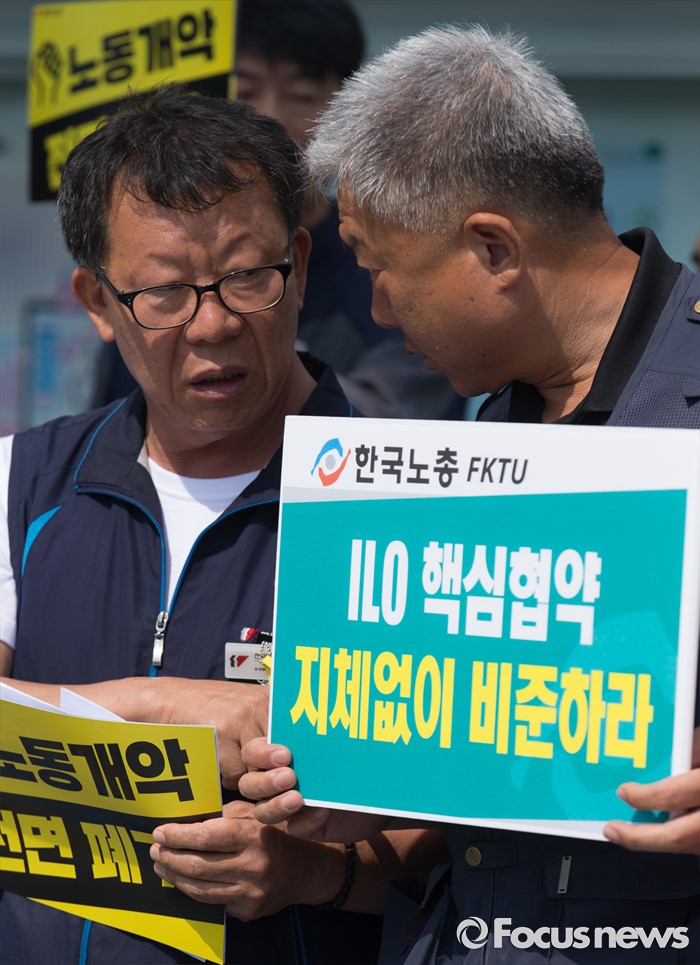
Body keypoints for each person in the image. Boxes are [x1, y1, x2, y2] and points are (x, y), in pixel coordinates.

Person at [237, 24, 700, 965]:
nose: (375, 309)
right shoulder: (486, 429)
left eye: (378, 269)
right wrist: (371, 785)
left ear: (493, 248)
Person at [0, 84, 445, 965]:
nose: (213, 324)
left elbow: (481, 832)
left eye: (248, 277)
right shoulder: (23, 480)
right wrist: (166, 709)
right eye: (165, 292)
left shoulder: (413, 503)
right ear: (97, 302)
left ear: (301, 266)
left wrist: (314, 871)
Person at [92, 0, 459, 420]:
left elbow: (398, 423)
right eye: (246, 93)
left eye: (302, 96)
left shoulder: (393, 266)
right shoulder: (137, 281)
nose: (270, 120)